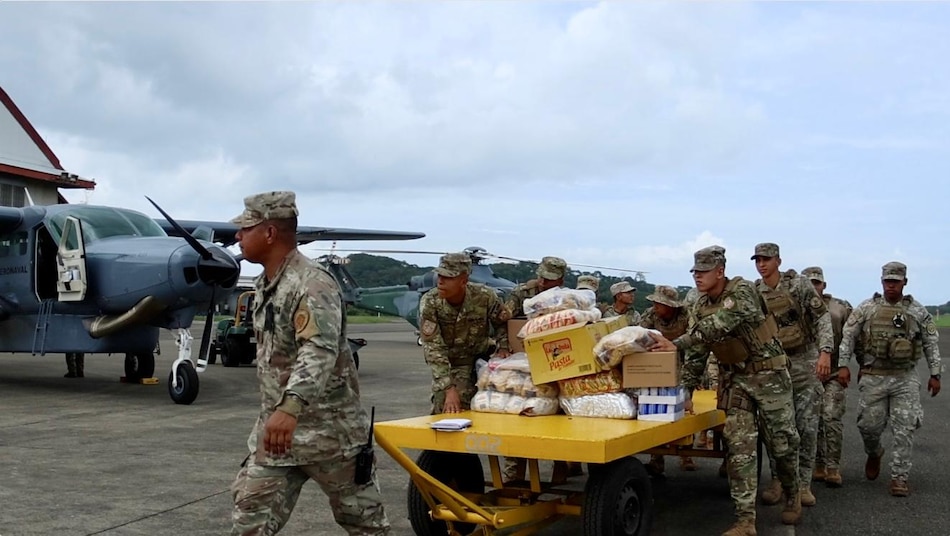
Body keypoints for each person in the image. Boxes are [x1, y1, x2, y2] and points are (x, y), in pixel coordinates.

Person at [228, 191, 390, 535]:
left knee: (365, 525)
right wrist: (279, 413)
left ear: (270, 233)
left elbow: (318, 349)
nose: (238, 236)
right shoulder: (266, 284)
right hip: (277, 437)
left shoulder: (312, 283)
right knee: (249, 519)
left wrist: (291, 406)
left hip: (331, 436)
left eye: (246, 228)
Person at [650, 245, 801, 535]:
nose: (698, 277)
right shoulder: (700, 305)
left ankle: (793, 494)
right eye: (695, 272)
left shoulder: (742, 291)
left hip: (769, 374)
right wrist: (687, 392)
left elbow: (721, 324)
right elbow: (698, 352)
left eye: (704, 272)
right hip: (737, 380)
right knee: (739, 446)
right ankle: (745, 520)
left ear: (720, 271)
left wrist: (678, 342)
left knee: (782, 444)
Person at [837, 261, 942, 497]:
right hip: (874, 377)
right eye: (887, 281)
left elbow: (930, 343)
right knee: (868, 426)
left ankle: (899, 477)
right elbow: (848, 337)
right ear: (882, 281)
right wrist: (843, 365)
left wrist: (936, 374)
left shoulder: (917, 311)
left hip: (904, 378)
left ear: (904, 282)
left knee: (905, 428)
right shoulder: (867, 308)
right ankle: (874, 453)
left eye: (896, 281)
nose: (891, 285)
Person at [751, 243, 833, 508]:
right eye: (758, 260)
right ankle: (779, 481)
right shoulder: (755, 291)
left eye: (766, 259)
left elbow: (822, 318)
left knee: (806, 426)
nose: (761, 264)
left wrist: (825, 353)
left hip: (804, 360)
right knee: (776, 428)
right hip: (775, 364)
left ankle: (804, 484)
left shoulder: (798, 285)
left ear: (778, 261)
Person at [495, 256, 567, 482]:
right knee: (519, 413)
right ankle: (513, 475)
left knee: (557, 415)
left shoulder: (567, 298)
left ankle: (561, 466)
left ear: (561, 280)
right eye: (542, 277)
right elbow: (502, 319)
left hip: (556, 360)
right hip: (521, 360)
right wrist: (504, 347)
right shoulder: (522, 293)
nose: (544, 283)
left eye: (550, 280)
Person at [419, 252, 511, 414]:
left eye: (448, 277)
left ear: (464, 281)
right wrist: (449, 389)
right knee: (449, 408)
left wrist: (503, 347)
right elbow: (433, 349)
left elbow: (502, 323)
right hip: (452, 364)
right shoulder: (431, 302)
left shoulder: (484, 296)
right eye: (439, 275)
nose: (440, 281)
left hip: (482, 360)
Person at [802, 266, 852, 488]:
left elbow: (852, 338)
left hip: (832, 372)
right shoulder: (795, 307)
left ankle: (832, 466)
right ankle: (817, 465)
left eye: (817, 283)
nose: (814, 287)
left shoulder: (840, 308)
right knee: (811, 421)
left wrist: (844, 366)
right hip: (806, 374)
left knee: (831, 417)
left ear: (824, 285)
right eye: (809, 283)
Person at [639, 285, 697, 473]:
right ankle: (657, 458)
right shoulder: (651, 315)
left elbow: (695, 338)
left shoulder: (686, 315)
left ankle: (686, 453)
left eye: (659, 304)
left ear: (670, 306)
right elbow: (639, 333)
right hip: (660, 360)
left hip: (685, 357)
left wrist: (690, 375)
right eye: (654, 303)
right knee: (657, 408)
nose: (655, 307)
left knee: (685, 406)